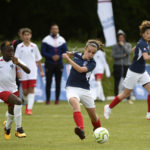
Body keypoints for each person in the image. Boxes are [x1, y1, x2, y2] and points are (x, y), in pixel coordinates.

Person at [104, 20, 150, 120]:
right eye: (147, 33)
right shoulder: (143, 44)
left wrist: (131, 51)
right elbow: (146, 57)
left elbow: (135, 48)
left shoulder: (142, 42)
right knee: (125, 94)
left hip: (142, 72)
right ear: (142, 34)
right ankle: (108, 107)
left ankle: (149, 114)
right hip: (133, 72)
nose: (149, 35)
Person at [63, 40, 102, 140]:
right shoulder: (78, 54)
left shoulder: (92, 63)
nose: (90, 54)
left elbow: (80, 69)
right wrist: (69, 53)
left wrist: (68, 59)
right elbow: (73, 53)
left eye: (93, 53)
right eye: (89, 51)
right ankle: (81, 129)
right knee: (75, 104)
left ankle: (99, 132)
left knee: (94, 116)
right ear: (85, 49)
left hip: (85, 90)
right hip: (71, 87)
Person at [0, 41, 30, 140]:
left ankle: (7, 127)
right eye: (8, 51)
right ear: (2, 52)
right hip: (1, 91)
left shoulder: (16, 61)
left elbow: (28, 71)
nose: (11, 53)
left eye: (12, 51)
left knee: (12, 113)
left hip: (13, 89)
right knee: (18, 101)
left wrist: (19, 64)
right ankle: (19, 129)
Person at [15, 28, 44, 115]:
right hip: (23, 72)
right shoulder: (19, 47)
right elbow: (16, 60)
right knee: (25, 91)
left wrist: (41, 71)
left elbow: (38, 59)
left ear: (30, 36)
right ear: (22, 36)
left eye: (28, 35)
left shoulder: (34, 46)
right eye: (25, 35)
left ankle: (29, 109)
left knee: (31, 90)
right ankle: (27, 104)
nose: (27, 36)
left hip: (33, 72)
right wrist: (18, 71)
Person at [41, 24, 68, 105]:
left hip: (59, 64)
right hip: (49, 63)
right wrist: (51, 57)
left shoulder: (62, 40)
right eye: (53, 29)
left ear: (58, 30)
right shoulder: (46, 40)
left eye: (56, 29)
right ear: (50, 30)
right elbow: (43, 52)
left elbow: (65, 51)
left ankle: (57, 100)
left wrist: (59, 56)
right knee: (48, 82)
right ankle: (48, 100)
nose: (55, 30)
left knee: (58, 82)